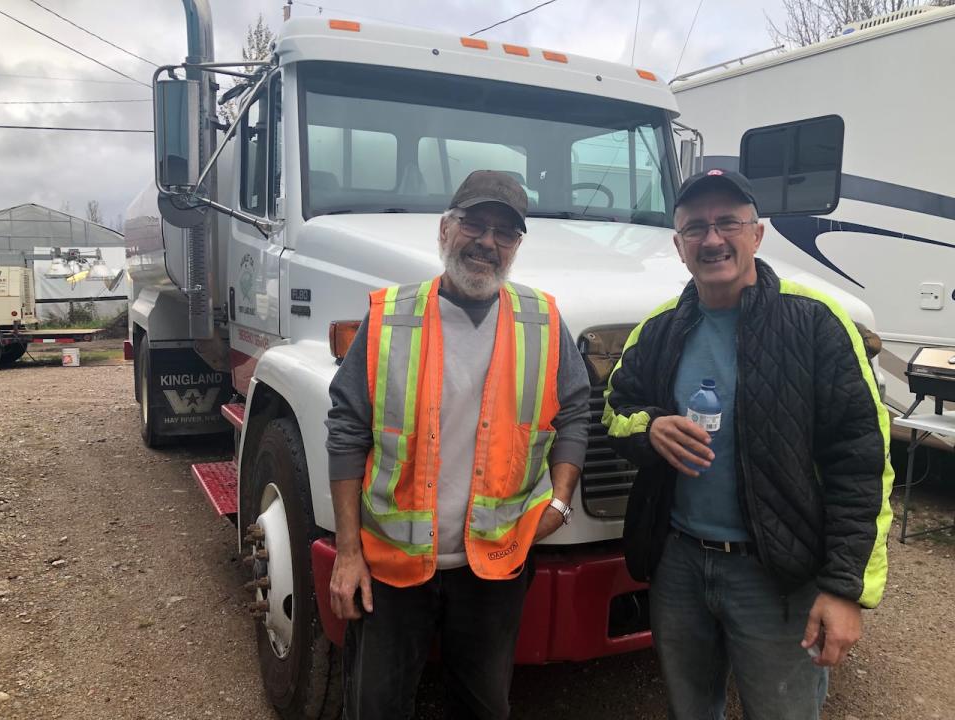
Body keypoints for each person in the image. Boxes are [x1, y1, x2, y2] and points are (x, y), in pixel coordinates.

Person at [602, 169, 894, 719]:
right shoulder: (660, 327)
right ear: (679, 245)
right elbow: (615, 409)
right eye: (696, 228)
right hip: (680, 566)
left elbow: (862, 463)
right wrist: (649, 426)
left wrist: (844, 589)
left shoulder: (816, 322)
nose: (712, 240)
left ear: (756, 234)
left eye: (727, 223)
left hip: (777, 577)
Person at [325, 170, 590, 720]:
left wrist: (560, 504)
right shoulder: (390, 317)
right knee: (374, 707)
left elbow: (576, 412)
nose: (488, 242)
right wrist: (347, 552)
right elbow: (347, 428)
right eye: (475, 223)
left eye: (505, 232)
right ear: (446, 230)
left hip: (492, 567)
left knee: (483, 708)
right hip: (393, 567)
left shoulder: (542, 320)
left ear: (517, 246)